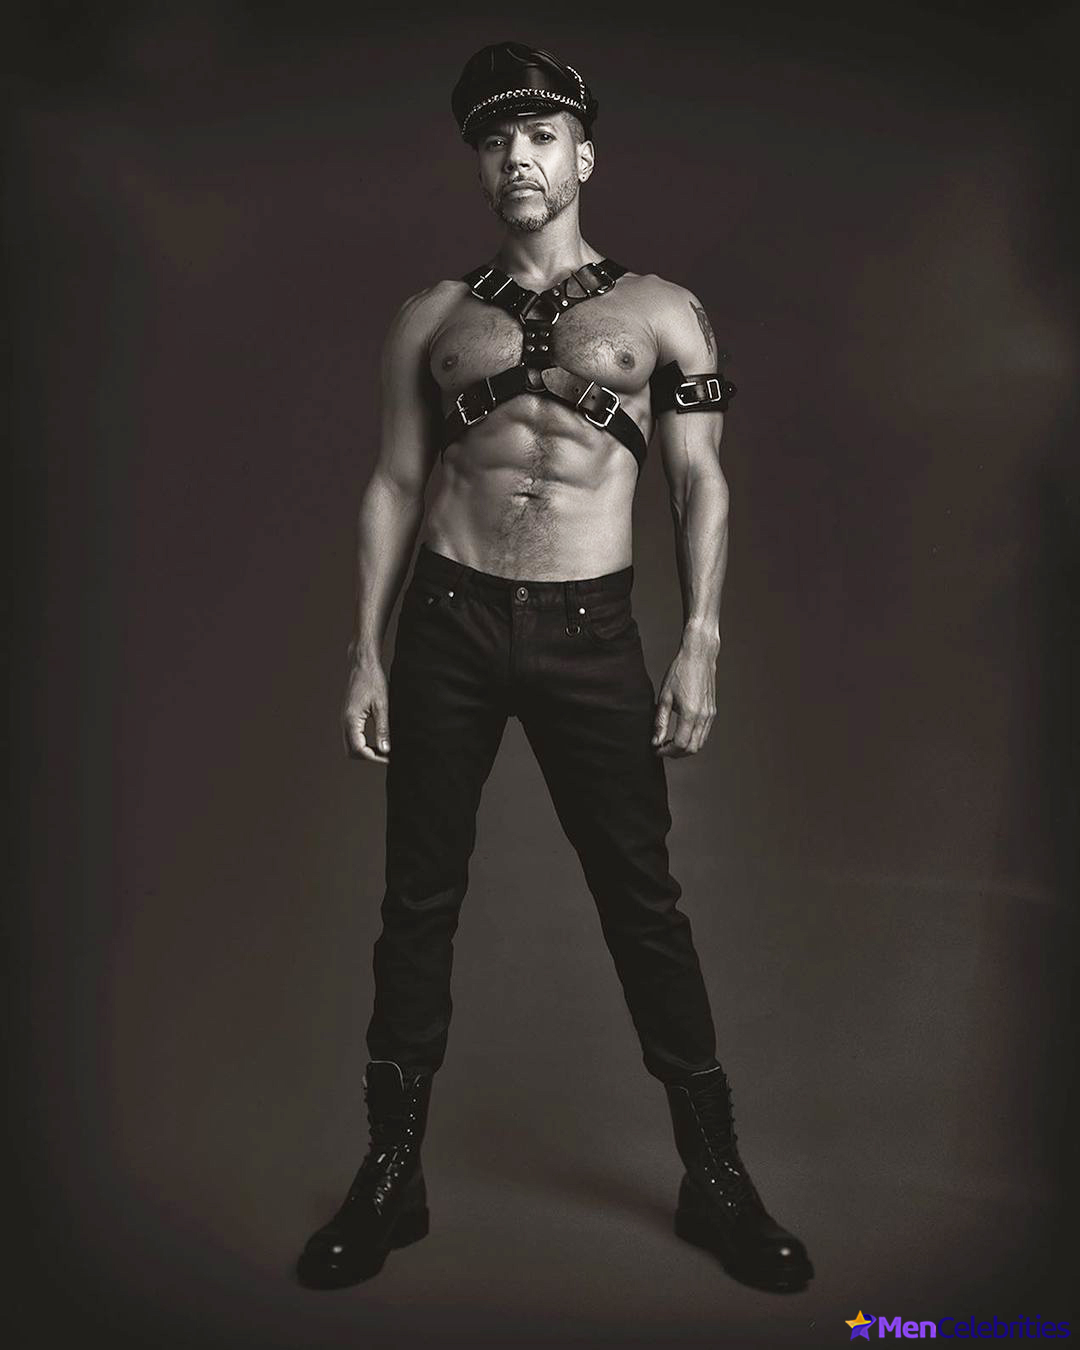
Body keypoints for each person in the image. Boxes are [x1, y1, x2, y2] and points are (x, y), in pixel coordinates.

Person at [296, 40, 812, 1295]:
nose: (515, 159)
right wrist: (363, 650)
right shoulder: (432, 317)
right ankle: (391, 1175)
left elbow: (700, 481)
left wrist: (702, 637)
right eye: (493, 141)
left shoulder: (665, 311)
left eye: (538, 137)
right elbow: (394, 482)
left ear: (584, 155)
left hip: (590, 633)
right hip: (451, 623)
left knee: (643, 901)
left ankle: (715, 1176)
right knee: (418, 900)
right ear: (478, 165)